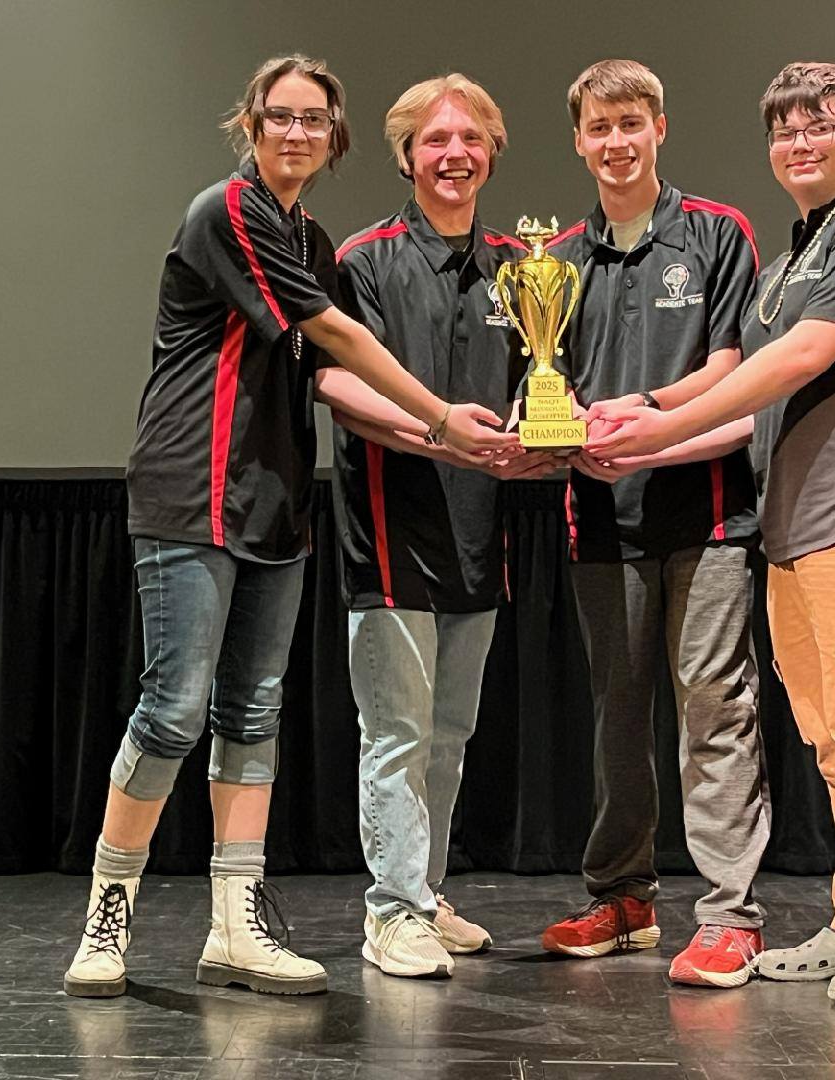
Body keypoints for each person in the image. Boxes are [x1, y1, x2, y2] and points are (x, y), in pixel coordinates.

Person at [63, 54, 514, 1000]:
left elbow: (326, 376)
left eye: (315, 119)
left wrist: (465, 440)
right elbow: (337, 339)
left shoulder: (309, 238)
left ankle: (236, 924)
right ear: (252, 125)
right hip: (191, 489)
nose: (298, 133)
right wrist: (441, 419)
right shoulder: (229, 210)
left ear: (334, 136)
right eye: (282, 116)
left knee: (252, 713)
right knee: (173, 710)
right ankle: (108, 917)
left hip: (275, 501)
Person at [589, 61, 835, 1007]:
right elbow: (740, 400)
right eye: (785, 130)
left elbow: (804, 356)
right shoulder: (790, 265)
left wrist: (656, 430)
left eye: (820, 126)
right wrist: (639, 421)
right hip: (794, 529)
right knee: (833, 738)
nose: (800, 142)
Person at [537, 59, 770, 990]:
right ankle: (624, 898)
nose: (616, 142)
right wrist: (564, 427)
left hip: (707, 516)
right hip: (601, 519)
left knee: (715, 708)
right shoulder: (554, 261)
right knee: (618, 717)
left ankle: (730, 916)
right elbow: (547, 383)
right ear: (579, 140)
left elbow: (732, 368)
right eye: (599, 127)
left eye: (631, 123)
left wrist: (644, 414)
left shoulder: (717, 232)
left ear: (660, 128)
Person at [317, 74, 555, 980]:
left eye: (471, 138)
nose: (454, 154)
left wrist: (540, 431)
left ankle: (424, 891)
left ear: (492, 151)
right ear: (407, 156)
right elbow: (338, 386)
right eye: (434, 140)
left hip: (480, 531)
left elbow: (541, 378)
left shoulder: (522, 266)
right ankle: (392, 911)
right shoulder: (365, 258)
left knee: (449, 734)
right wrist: (442, 434)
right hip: (390, 534)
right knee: (398, 734)